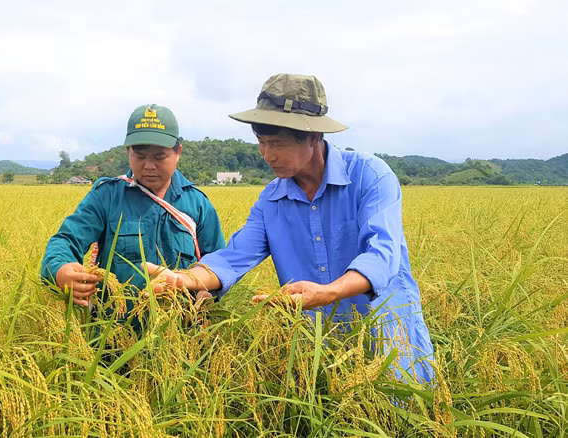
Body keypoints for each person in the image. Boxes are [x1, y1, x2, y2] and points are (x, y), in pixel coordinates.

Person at [147, 74, 434, 382]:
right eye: (262, 143)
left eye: (278, 144)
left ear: (313, 138)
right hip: (319, 351)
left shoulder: (370, 176)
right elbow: (233, 257)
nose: (267, 155)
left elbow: (382, 253)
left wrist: (329, 292)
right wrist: (184, 279)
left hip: (391, 341)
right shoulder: (272, 199)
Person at [41, 104, 226, 329]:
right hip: (114, 338)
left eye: (159, 156)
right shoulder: (107, 196)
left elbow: (218, 264)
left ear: (178, 152)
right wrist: (61, 270)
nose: (149, 166)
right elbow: (66, 240)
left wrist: (206, 295)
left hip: (180, 335)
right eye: (139, 156)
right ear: (128, 151)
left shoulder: (198, 204)